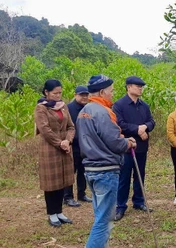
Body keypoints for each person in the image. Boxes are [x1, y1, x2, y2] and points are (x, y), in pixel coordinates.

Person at [77, 74, 136, 248]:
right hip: (105, 170)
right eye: (111, 91)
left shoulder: (83, 111)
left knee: (100, 216)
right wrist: (128, 142)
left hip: (90, 169)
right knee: (104, 221)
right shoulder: (104, 112)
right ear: (102, 91)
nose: (113, 93)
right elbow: (114, 142)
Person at [34, 79, 75, 227]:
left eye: (60, 93)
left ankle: (59, 212)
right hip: (50, 150)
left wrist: (68, 141)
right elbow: (44, 130)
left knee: (62, 181)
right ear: (46, 92)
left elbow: (71, 126)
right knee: (51, 183)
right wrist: (60, 143)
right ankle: (52, 213)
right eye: (55, 93)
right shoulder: (41, 108)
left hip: (65, 149)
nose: (58, 96)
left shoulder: (63, 107)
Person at [114, 76, 156, 221]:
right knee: (124, 177)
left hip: (142, 147)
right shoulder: (119, 105)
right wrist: (137, 129)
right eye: (138, 86)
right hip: (126, 147)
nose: (140, 88)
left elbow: (151, 121)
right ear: (129, 87)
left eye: (141, 86)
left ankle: (138, 201)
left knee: (139, 176)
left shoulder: (144, 105)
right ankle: (120, 206)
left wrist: (145, 127)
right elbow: (120, 124)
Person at [63, 86, 92, 207]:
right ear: (75, 95)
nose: (84, 97)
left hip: (85, 145)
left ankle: (81, 193)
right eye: (81, 95)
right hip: (73, 145)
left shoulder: (89, 108)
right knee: (71, 171)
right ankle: (68, 197)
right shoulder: (68, 108)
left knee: (83, 170)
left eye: (86, 95)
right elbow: (65, 127)